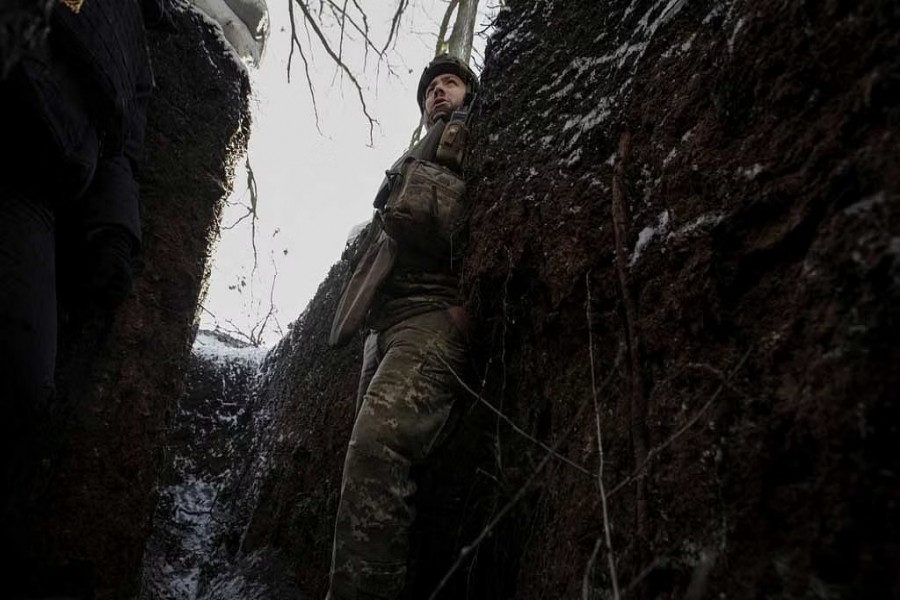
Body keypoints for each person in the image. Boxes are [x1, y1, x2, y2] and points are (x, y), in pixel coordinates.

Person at [326, 54, 480, 599]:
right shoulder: (406, 161)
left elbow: (498, 211)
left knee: (377, 446)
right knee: (365, 466)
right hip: (382, 329)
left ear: (469, 91)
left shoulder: (483, 132)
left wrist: (471, 301)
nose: (438, 92)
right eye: (430, 88)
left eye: (451, 83)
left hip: (432, 314)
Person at [0, 0, 169, 485]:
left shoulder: (137, 46)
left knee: (25, 382)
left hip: (40, 196)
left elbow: (123, 152)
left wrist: (116, 232)